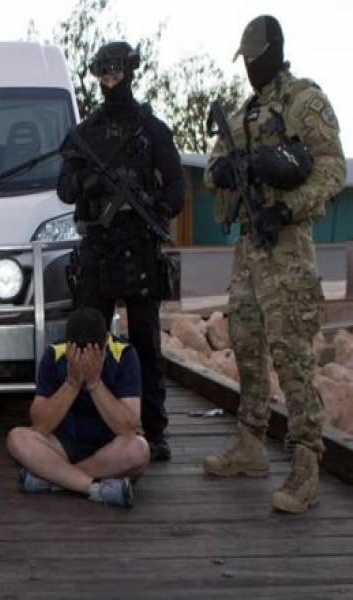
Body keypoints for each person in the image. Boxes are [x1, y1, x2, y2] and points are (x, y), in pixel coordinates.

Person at [203, 16, 346, 514]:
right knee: (244, 341)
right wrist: (222, 171)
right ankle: (251, 442)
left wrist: (288, 208)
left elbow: (332, 167)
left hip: (285, 244)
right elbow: (214, 167)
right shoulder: (245, 113)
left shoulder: (304, 101)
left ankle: (306, 463)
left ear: (274, 52)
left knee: (292, 355)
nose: (249, 68)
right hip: (249, 248)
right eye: (245, 61)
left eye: (255, 58)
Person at [57, 41, 185, 462]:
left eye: (117, 72)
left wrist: (155, 209)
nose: (111, 80)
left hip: (140, 246)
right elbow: (64, 189)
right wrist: (88, 185)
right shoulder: (85, 134)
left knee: (146, 342)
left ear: (130, 72)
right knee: (87, 338)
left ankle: (155, 429)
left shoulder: (152, 129)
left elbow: (176, 188)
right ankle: (90, 426)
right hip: (98, 246)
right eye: (104, 73)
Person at [7, 308, 148, 508]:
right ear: (68, 346)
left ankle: (55, 480)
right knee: (17, 438)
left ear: (105, 343)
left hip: (109, 447)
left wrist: (95, 383)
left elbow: (127, 427)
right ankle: (94, 487)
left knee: (139, 450)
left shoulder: (125, 355)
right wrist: (72, 383)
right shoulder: (54, 354)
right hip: (63, 443)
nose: (85, 361)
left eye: (93, 354)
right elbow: (39, 425)